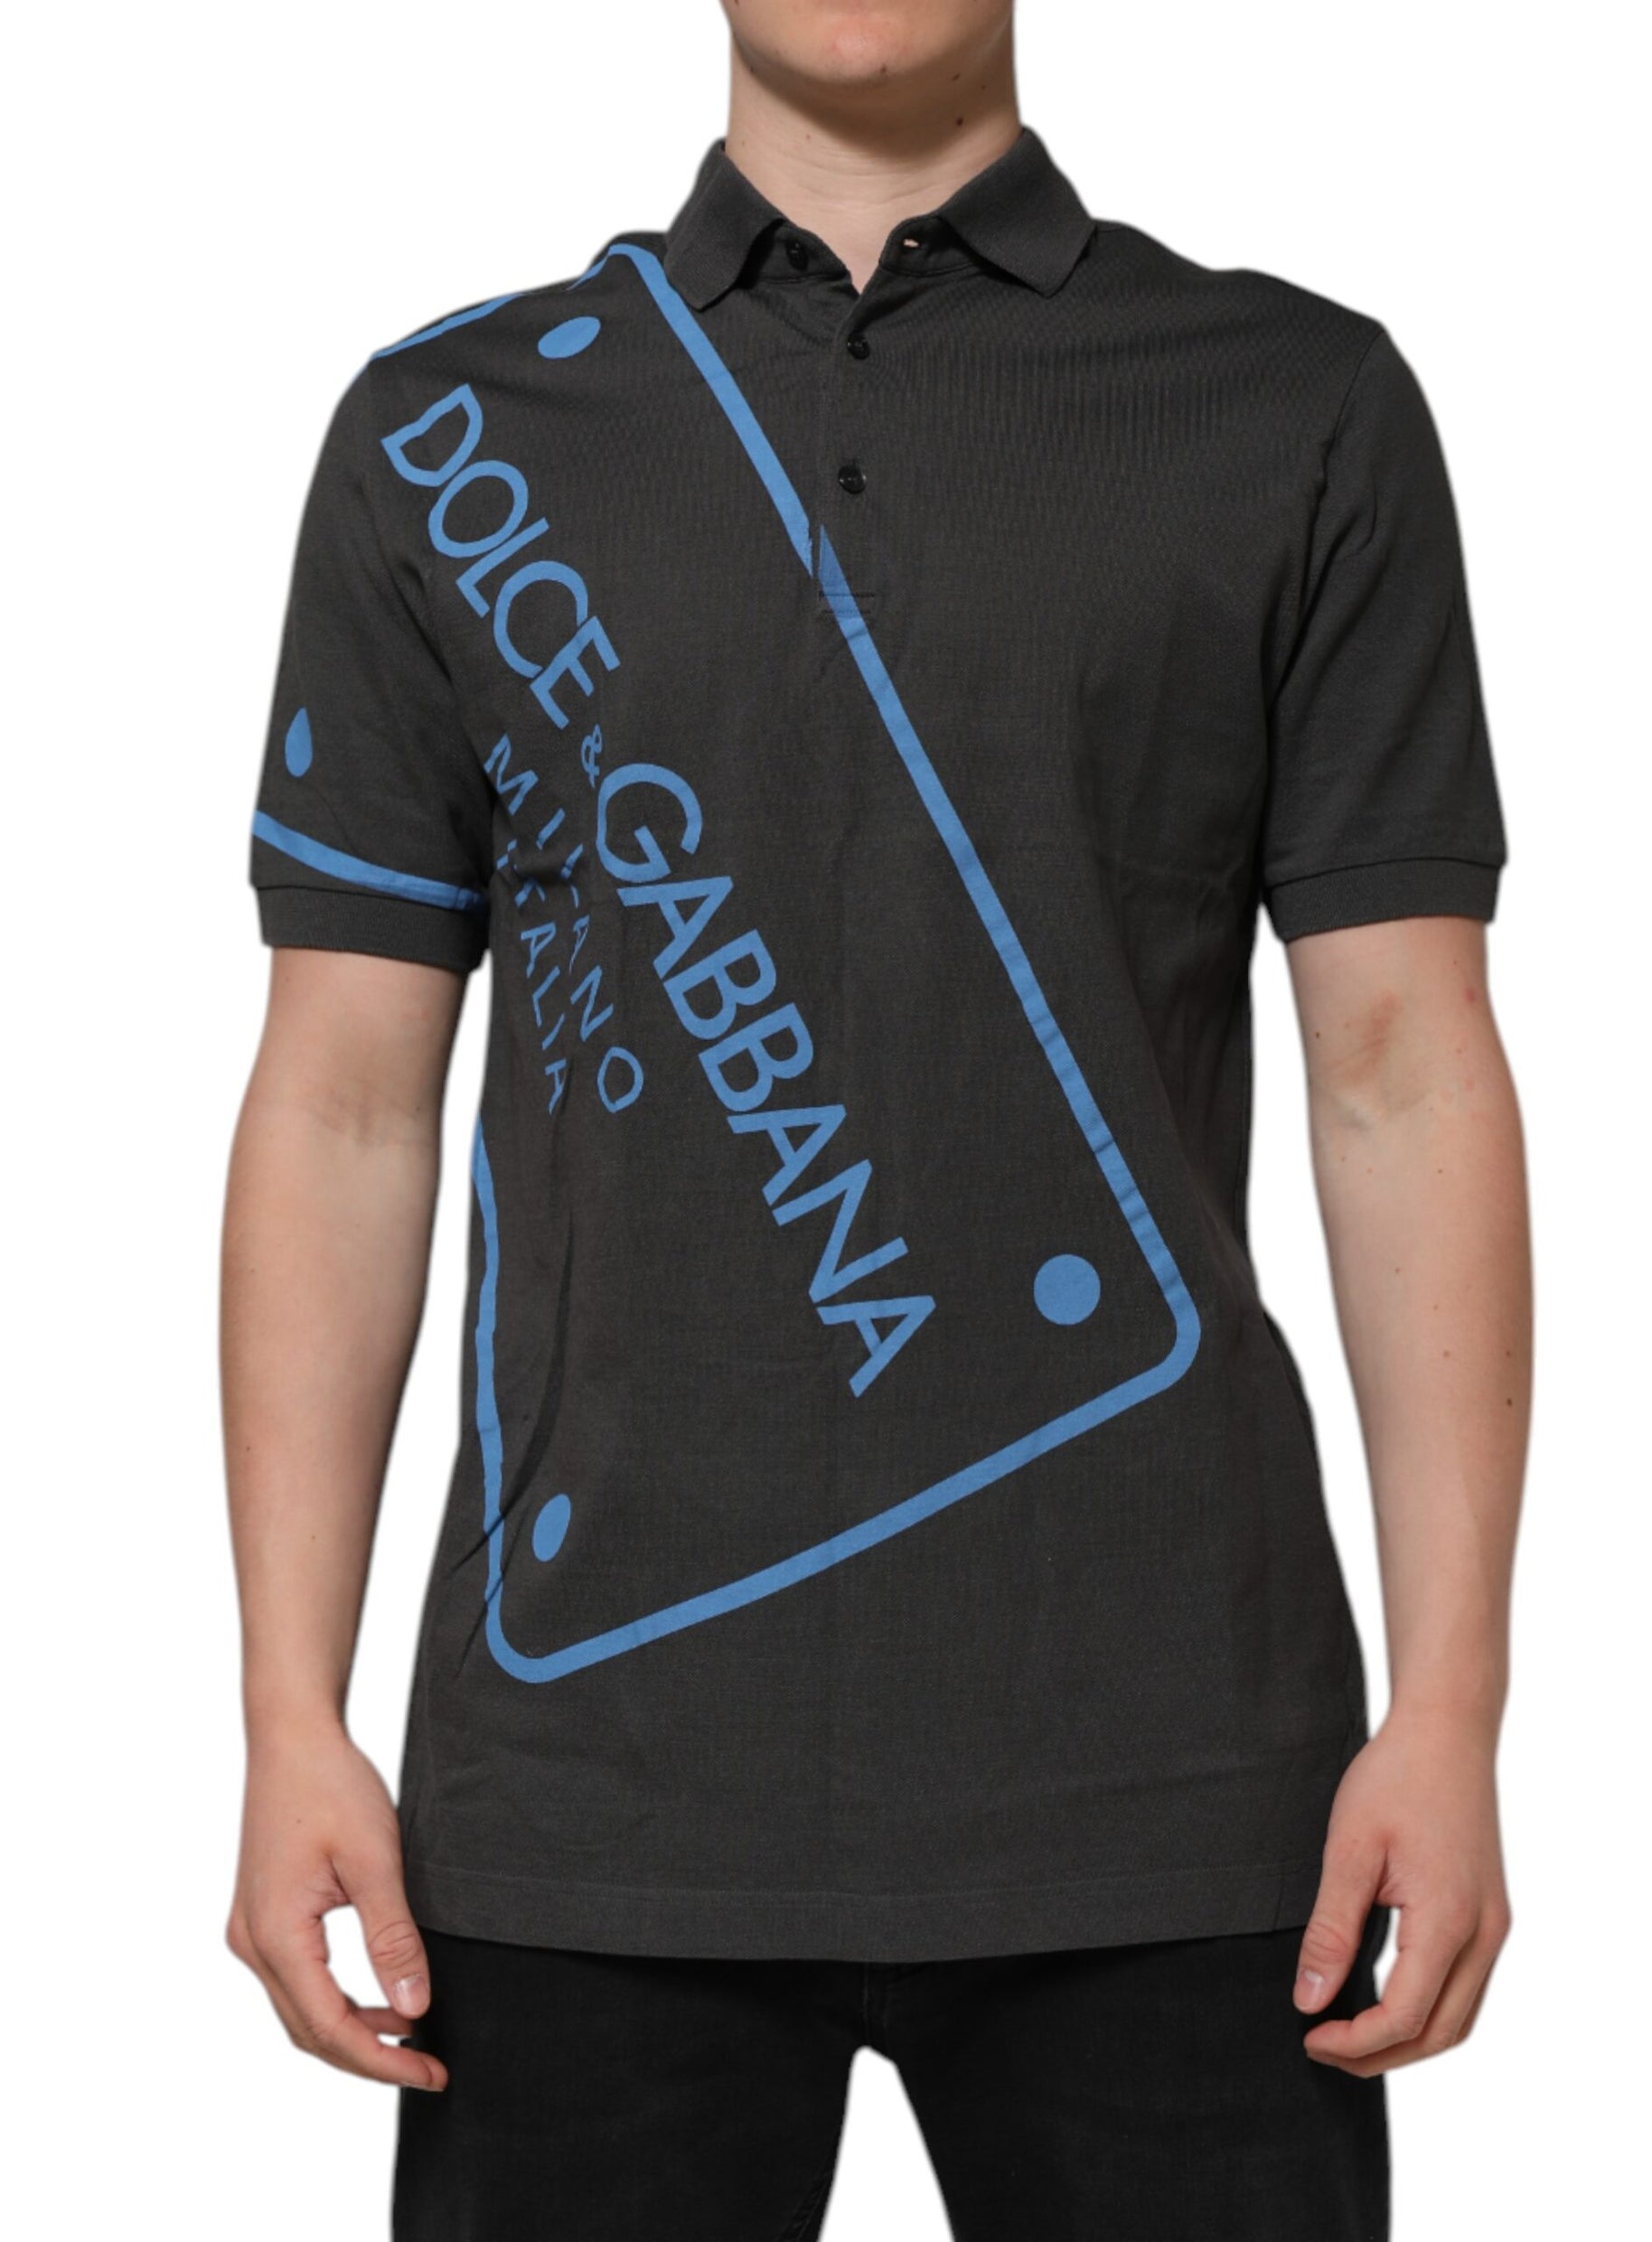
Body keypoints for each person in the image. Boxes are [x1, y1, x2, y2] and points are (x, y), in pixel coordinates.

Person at [221, 3, 1529, 2235]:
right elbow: (343, 1101)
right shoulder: (450, 436)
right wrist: (286, 1712)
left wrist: (1453, 1708)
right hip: (589, 1791)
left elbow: (1402, 1065)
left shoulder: (1295, 403)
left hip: (1176, 1781)